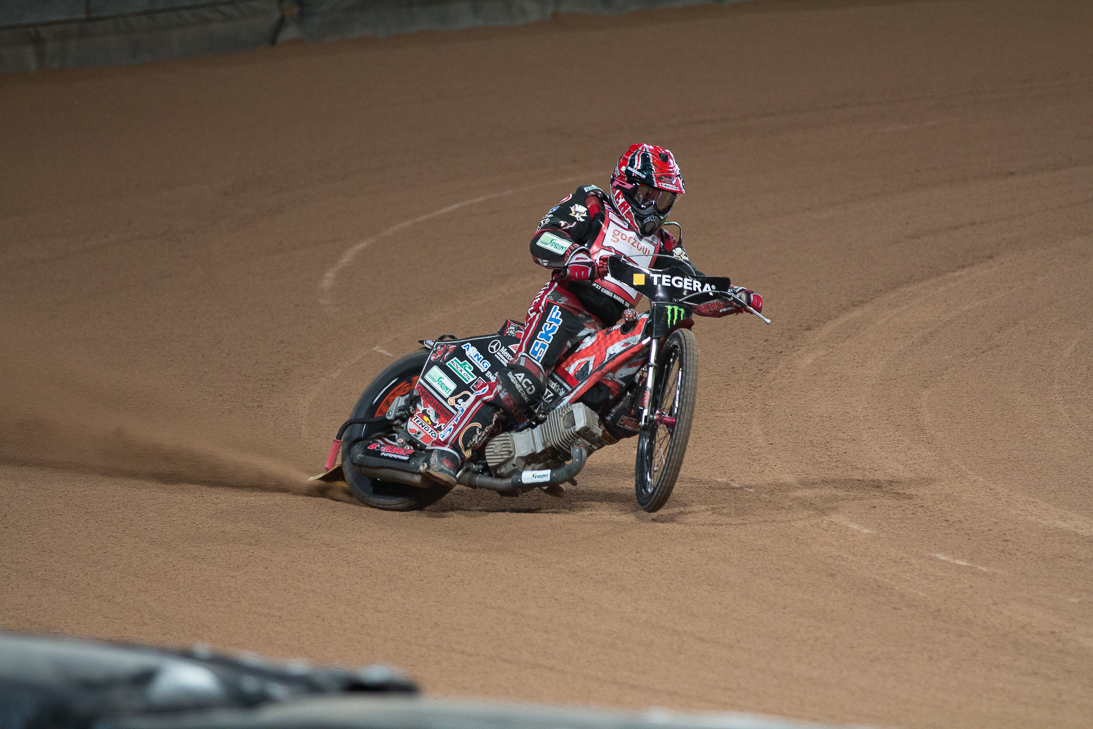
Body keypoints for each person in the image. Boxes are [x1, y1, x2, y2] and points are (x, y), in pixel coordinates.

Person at [424, 144, 762, 485]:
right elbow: (544, 238)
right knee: (526, 380)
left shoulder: (664, 244)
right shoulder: (593, 204)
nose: (655, 207)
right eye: (649, 195)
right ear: (628, 187)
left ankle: (543, 450)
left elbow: (690, 284)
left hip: (604, 330)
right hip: (564, 306)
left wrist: (732, 296)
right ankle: (446, 450)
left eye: (664, 199)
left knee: (617, 411)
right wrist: (574, 255)